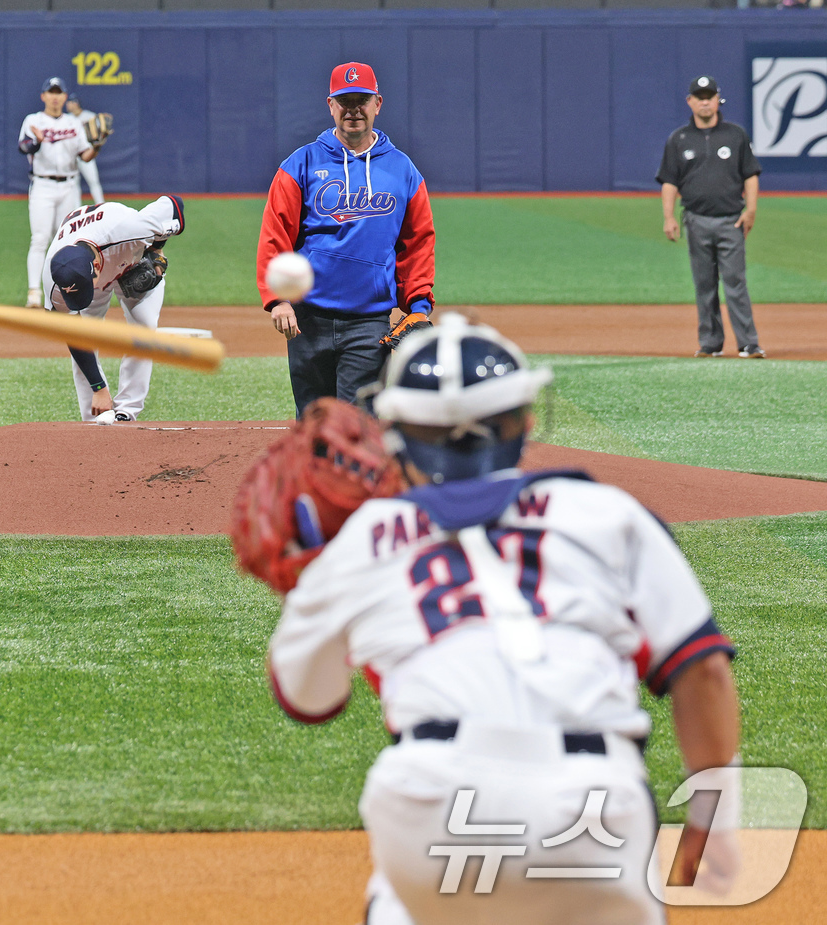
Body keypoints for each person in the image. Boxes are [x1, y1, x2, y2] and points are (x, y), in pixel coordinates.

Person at [240, 315, 742, 923]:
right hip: (591, 813)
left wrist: (313, 583)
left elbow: (307, 697)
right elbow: (702, 670)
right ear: (526, 420)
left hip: (432, 805)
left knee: (399, 898)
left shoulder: (365, 538)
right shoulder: (609, 513)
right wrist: (714, 815)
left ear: (395, 432)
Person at [257, 62, 436, 417]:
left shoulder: (402, 170)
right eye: (345, 101)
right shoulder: (301, 164)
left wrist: (418, 305)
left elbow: (417, 243)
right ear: (330, 105)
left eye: (361, 100)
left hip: (369, 322)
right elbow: (275, 234)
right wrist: (278, 300)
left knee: (357, 427)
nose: (353, 110)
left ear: (377, 103)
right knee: (313, 424)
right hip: (307, 320)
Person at [41, 195, 184, 423]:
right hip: (90, 270)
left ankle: (127, 411)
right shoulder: (53, 282)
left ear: (96, 266)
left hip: (127, 259)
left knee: (144, 328)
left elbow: (173, 204)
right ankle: (94, 418)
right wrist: (99, 387)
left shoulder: (131, 228)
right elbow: (74, 335)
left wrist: (157, 249)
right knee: (84, 339)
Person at [658, 75, 765, 359]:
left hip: (731, 219)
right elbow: (670, 181)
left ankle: (748, 343)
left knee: (735, 282)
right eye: (699, 96)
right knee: (704, 284)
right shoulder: (679, 139)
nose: (705, 101)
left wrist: (751, 210)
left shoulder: (735, 135)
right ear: (690, 101)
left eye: (710, 96)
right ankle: (710, 343)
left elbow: (750, 174)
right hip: (696, 220)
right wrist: (669, 217)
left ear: (718, 100)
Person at [20, 76, 101, 308]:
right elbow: (23, 147)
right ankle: (34, 292)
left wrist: (98, 145)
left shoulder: (73, 124)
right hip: (42, 186)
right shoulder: (33, 120)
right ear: (43, 96)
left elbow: (85, 155)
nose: (55, 96)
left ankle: (64, 292)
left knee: (69, 240)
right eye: (51, 92)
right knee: (40, 238)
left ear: (65, 97)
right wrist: (37, 140)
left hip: (68, 186)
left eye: (59, 93)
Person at [66, 93, 106, 206]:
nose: (67, 105)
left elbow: (100, 131)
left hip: (86, 152)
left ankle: (101, 207)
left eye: (69, 102)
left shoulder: (90, 116)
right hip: (71, 155)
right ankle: (76, 211)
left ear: (75, 103)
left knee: (93, 181)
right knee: (74, 185)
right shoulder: (67, 119)